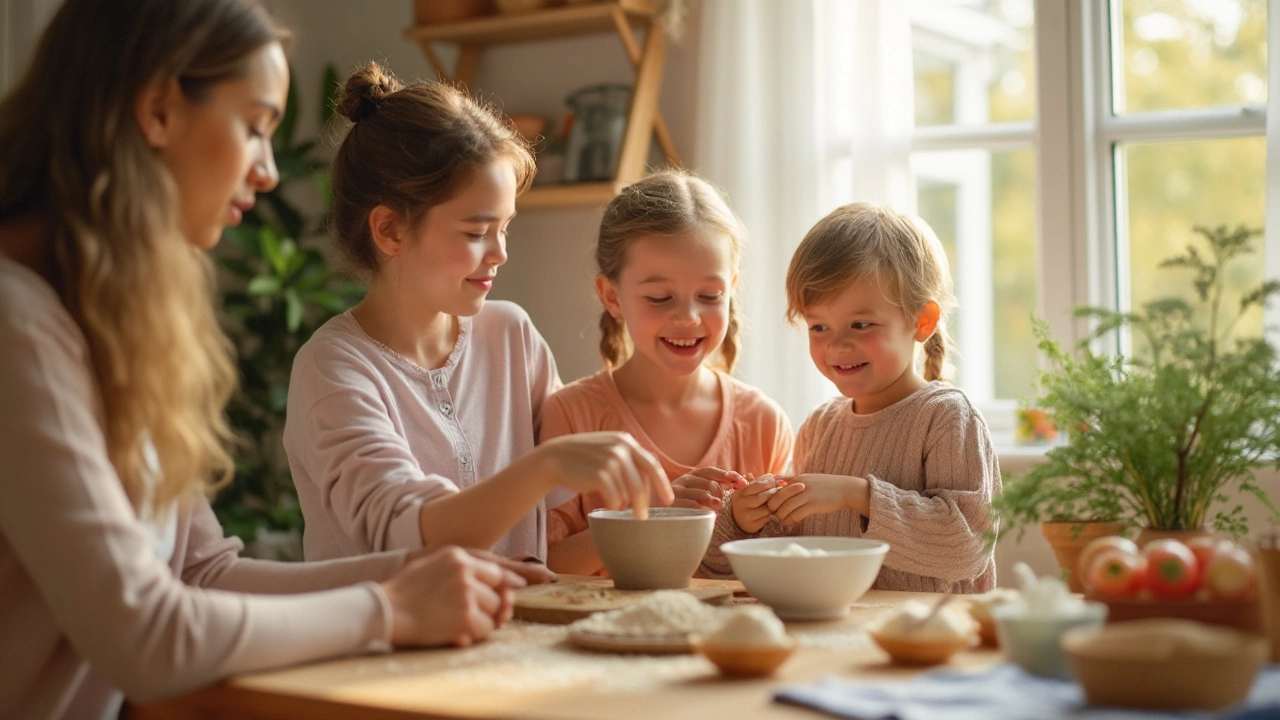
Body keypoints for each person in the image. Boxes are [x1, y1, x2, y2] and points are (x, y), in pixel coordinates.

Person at [0, 2, 557, 718]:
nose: (268, 171)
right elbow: (140, 633)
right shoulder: (17, 322)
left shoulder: (101, 320)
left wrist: (420, 571)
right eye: (256, 126)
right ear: (160, 110)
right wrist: (388, 607)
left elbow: (202, 572)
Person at [283, 63, 671, 565]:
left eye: (504, 227)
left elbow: (554, 531)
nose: (499, 253)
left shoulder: (511, 336)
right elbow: (409, 536)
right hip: (385, 644)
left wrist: (664, 508)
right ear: (390, 231)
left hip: (514, 642)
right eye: (475, 232)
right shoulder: (334, 371)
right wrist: (546, 465)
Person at [703, 202, 1000, 592]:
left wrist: (857, 495)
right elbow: (761, 562)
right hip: (844, 637)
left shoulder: (946, 418)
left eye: (860, 324)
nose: (837, 345)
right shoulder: (819, 427)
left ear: (922, 321)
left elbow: (968, 548)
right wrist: (743, 519)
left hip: (934, 642)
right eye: (819, 326)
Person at [542, 170, 794, 576]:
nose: (688, 317)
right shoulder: (571, 416)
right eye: (660, 298)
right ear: (612, 296)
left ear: (730, 289)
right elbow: (546, 565)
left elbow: (785, 562)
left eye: (710, 296)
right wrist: (649, 517)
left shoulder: (763, 422)